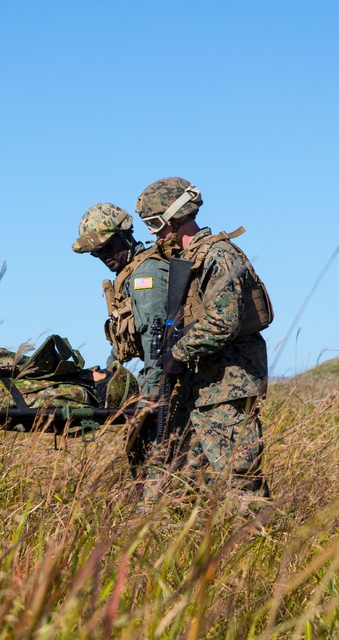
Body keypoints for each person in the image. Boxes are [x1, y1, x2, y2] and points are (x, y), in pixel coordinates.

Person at [135, 177, 271, 502]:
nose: (152, 233)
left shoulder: (219, 256)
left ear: (178, 216)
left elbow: (222, 322)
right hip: (200, 392)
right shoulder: (190, 262)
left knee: (242, 491)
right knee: (170, 482)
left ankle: (268, 548)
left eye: (155, 223)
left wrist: (177, 354)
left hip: (226, 392)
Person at [71, 202, 181, 476]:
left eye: (108, 247)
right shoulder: (130, 275)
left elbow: (157, 343)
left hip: (164, 388)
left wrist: (149, 401)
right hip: (156, 385)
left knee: (155, 467)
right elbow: (124, 344)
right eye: (97, 253)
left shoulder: (146, 275)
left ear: (126, 235)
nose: (104, 256)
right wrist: (107, 376)